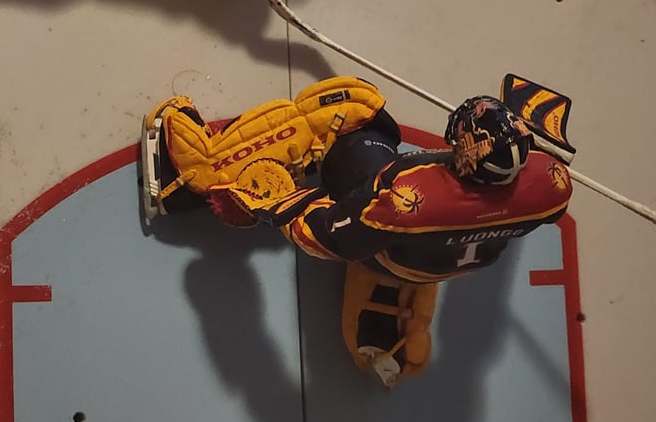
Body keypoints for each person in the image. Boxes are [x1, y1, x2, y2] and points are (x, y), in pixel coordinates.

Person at [141, 76, 574, 387]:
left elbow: (327, 237)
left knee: (355, 107)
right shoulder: (552, 189)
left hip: (387, 248)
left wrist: (278, 200)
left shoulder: (408, 199)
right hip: (436, 261)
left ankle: (199, 170)